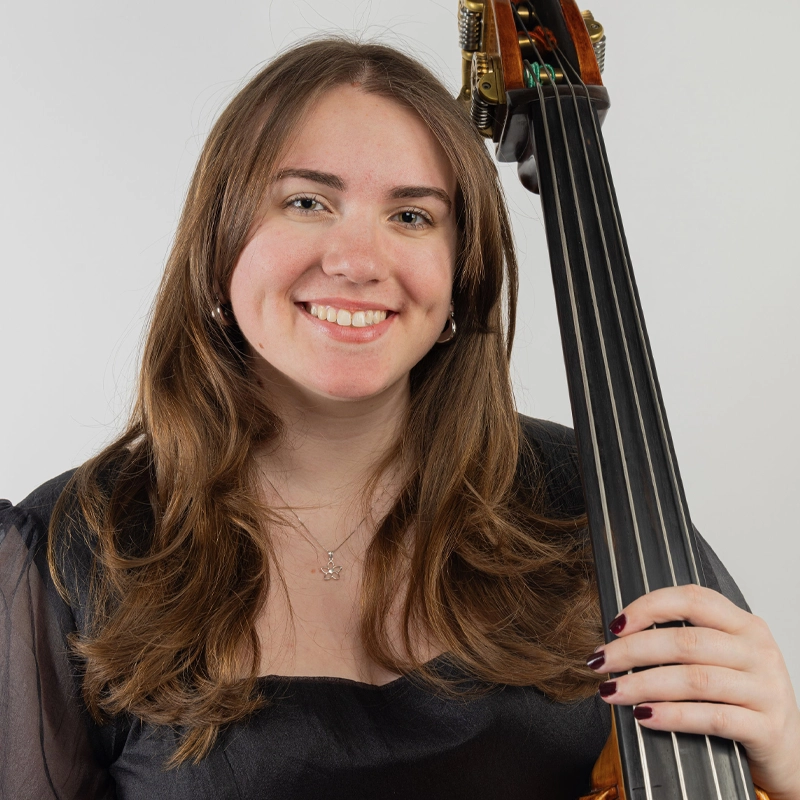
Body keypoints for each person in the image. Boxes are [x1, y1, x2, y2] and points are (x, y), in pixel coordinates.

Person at [1, 38, 798, 800]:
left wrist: (790, 763)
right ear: (218, 244)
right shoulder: (74, 550)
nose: (357, 261)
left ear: (462, 273)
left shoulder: (595, 503)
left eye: (412, 216)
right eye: (307, 201)